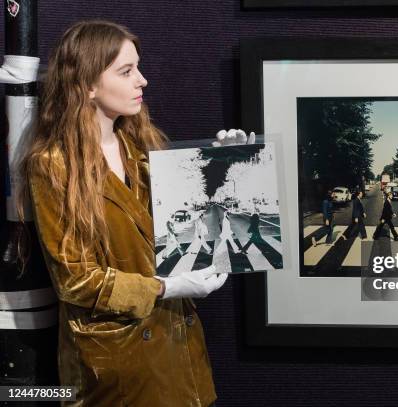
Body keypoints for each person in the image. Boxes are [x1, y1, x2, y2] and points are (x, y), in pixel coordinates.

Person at [17, 20, 251, 406]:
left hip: (179, 348)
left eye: (137, 68)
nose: (142, 81)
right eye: (126, 71)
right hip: (117, 367)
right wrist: (166, 286)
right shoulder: (52, 166)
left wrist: (229, 163)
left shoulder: (145, 147)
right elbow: (75, 279)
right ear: (87, 84)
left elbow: (195, 236)